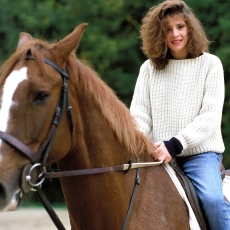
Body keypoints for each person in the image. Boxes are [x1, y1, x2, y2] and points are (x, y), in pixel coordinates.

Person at [130, 0, 230, 229]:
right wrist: (137, 144)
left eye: (180, 27)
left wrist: (175, 144)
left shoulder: (211, 65)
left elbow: (210, 118)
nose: (175, 34)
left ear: (190, 28)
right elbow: (140, 116)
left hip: (200, 155)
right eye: (167, 29)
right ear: (159, 34)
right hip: (157, 155)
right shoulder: (148, 69)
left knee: (213, 201)